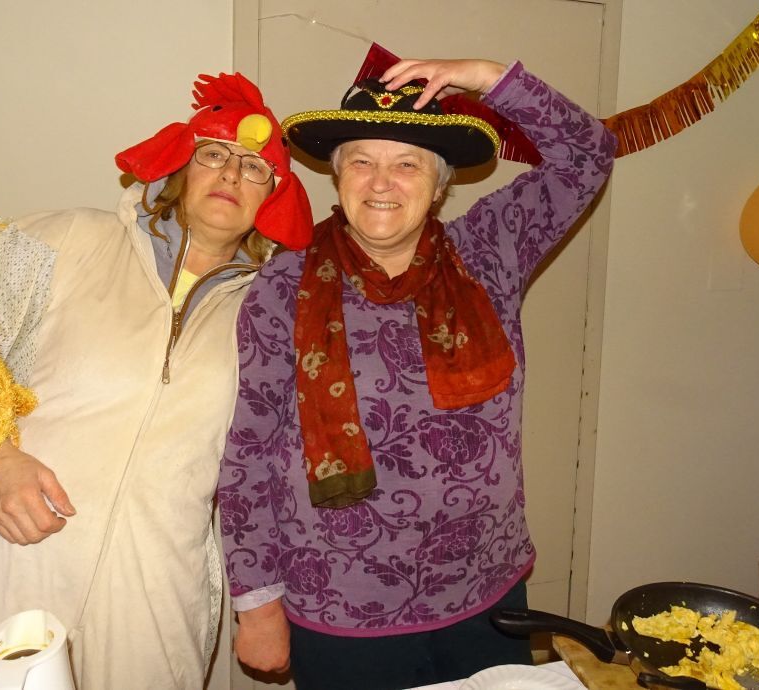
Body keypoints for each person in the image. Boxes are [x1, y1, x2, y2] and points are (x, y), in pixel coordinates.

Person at [0, 72, 312, 689]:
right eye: (214, 155)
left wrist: (264, 601)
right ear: (179, 167)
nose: (232, 175)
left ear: (274, 196)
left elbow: (279, 467)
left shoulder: (272, 312)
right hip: (2, 554)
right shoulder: (73, 239)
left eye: (255, 168)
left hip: (152, 594)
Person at [217, 57, 616, 689]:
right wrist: (256, 603)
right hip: (341, 609)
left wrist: (486, 76)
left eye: (408, 164)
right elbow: (249, 450)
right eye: (362, 160)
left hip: (486, 594)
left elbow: (588, 153)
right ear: (338, 176)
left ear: (439, 187)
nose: (382, 182)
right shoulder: (282, 285)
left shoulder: (489, 251)